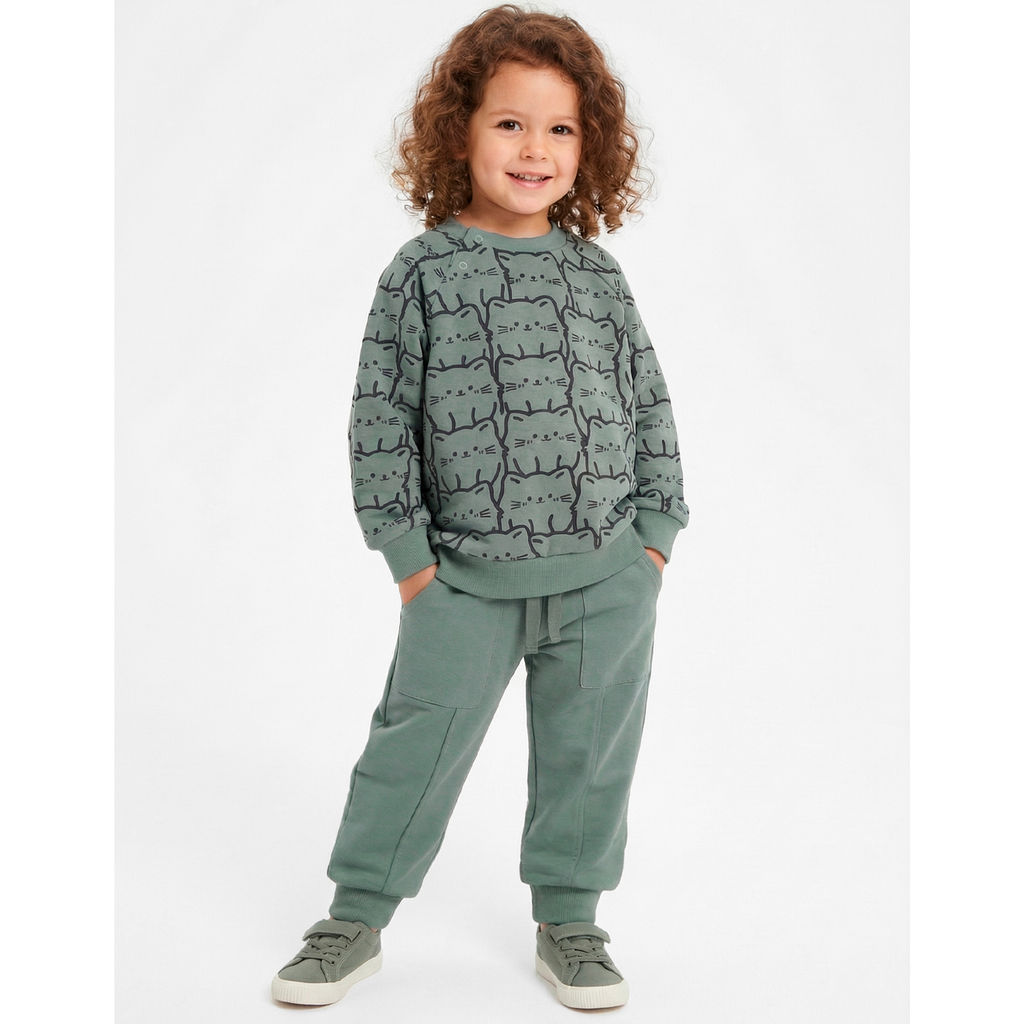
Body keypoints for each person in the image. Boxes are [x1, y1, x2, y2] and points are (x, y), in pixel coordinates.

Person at [272, 3, 689, 1011]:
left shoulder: (596, 276)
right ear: (459, 132)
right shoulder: (421, 272)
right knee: (411, 748)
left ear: (589, 147)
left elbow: (647, 400)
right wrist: (410, 560)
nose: (534, 149)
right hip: (462, 580)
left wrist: (654, 537)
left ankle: (571, 921)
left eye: (560, 128)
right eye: (509, 122)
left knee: (590, 758)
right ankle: (354, 916)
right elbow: (380, 420)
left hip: (606, 578)